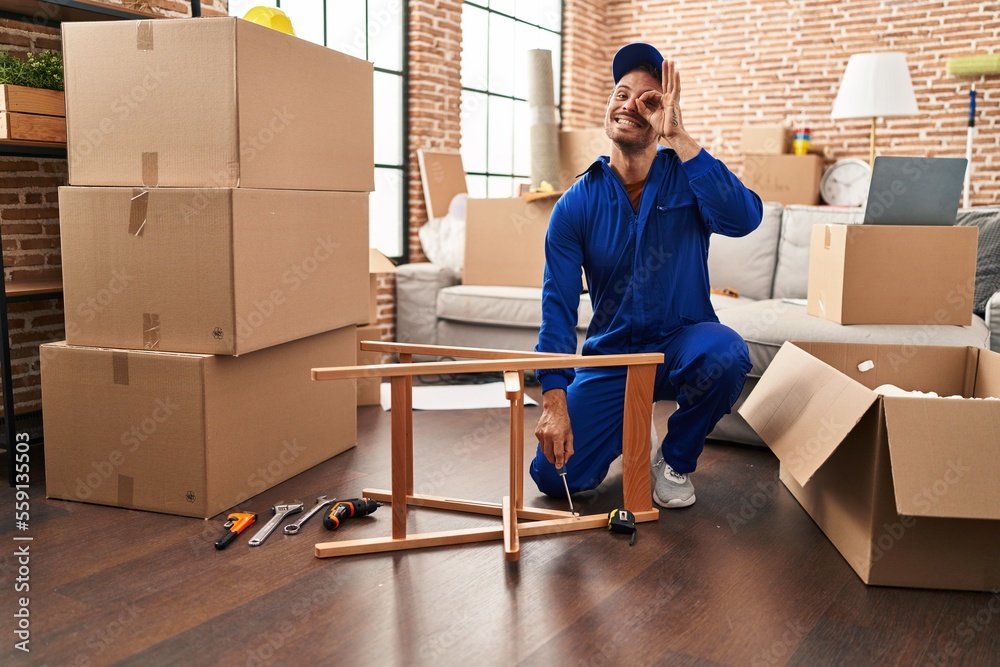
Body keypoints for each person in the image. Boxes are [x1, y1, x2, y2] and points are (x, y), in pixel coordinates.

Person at [530, 43, 762, 509]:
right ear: (608, 106)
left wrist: (682, 138)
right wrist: (553, 398)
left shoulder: (689, 176)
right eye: (621, 94)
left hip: (680, 343)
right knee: (554, 478)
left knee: (726, 351)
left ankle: (673, 460)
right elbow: (556, 305)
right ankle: (632, 430)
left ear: (664, 114)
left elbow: (745, 218)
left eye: (649, 99)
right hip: (614, 358)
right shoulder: (576, 203)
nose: (630, 105)